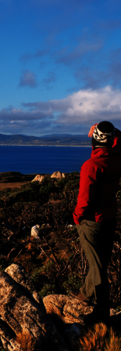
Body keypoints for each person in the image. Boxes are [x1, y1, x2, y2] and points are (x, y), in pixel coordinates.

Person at [71, 121, 121, 324]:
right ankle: (86, 293)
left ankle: (101, 314)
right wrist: (113, 131)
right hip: (109, 217)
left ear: (93, 139)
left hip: (91, 222)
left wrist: (77, 217)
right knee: (101, 260)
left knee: (97, 266)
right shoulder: (117, 157)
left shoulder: (90, 166)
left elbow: (85, 200)